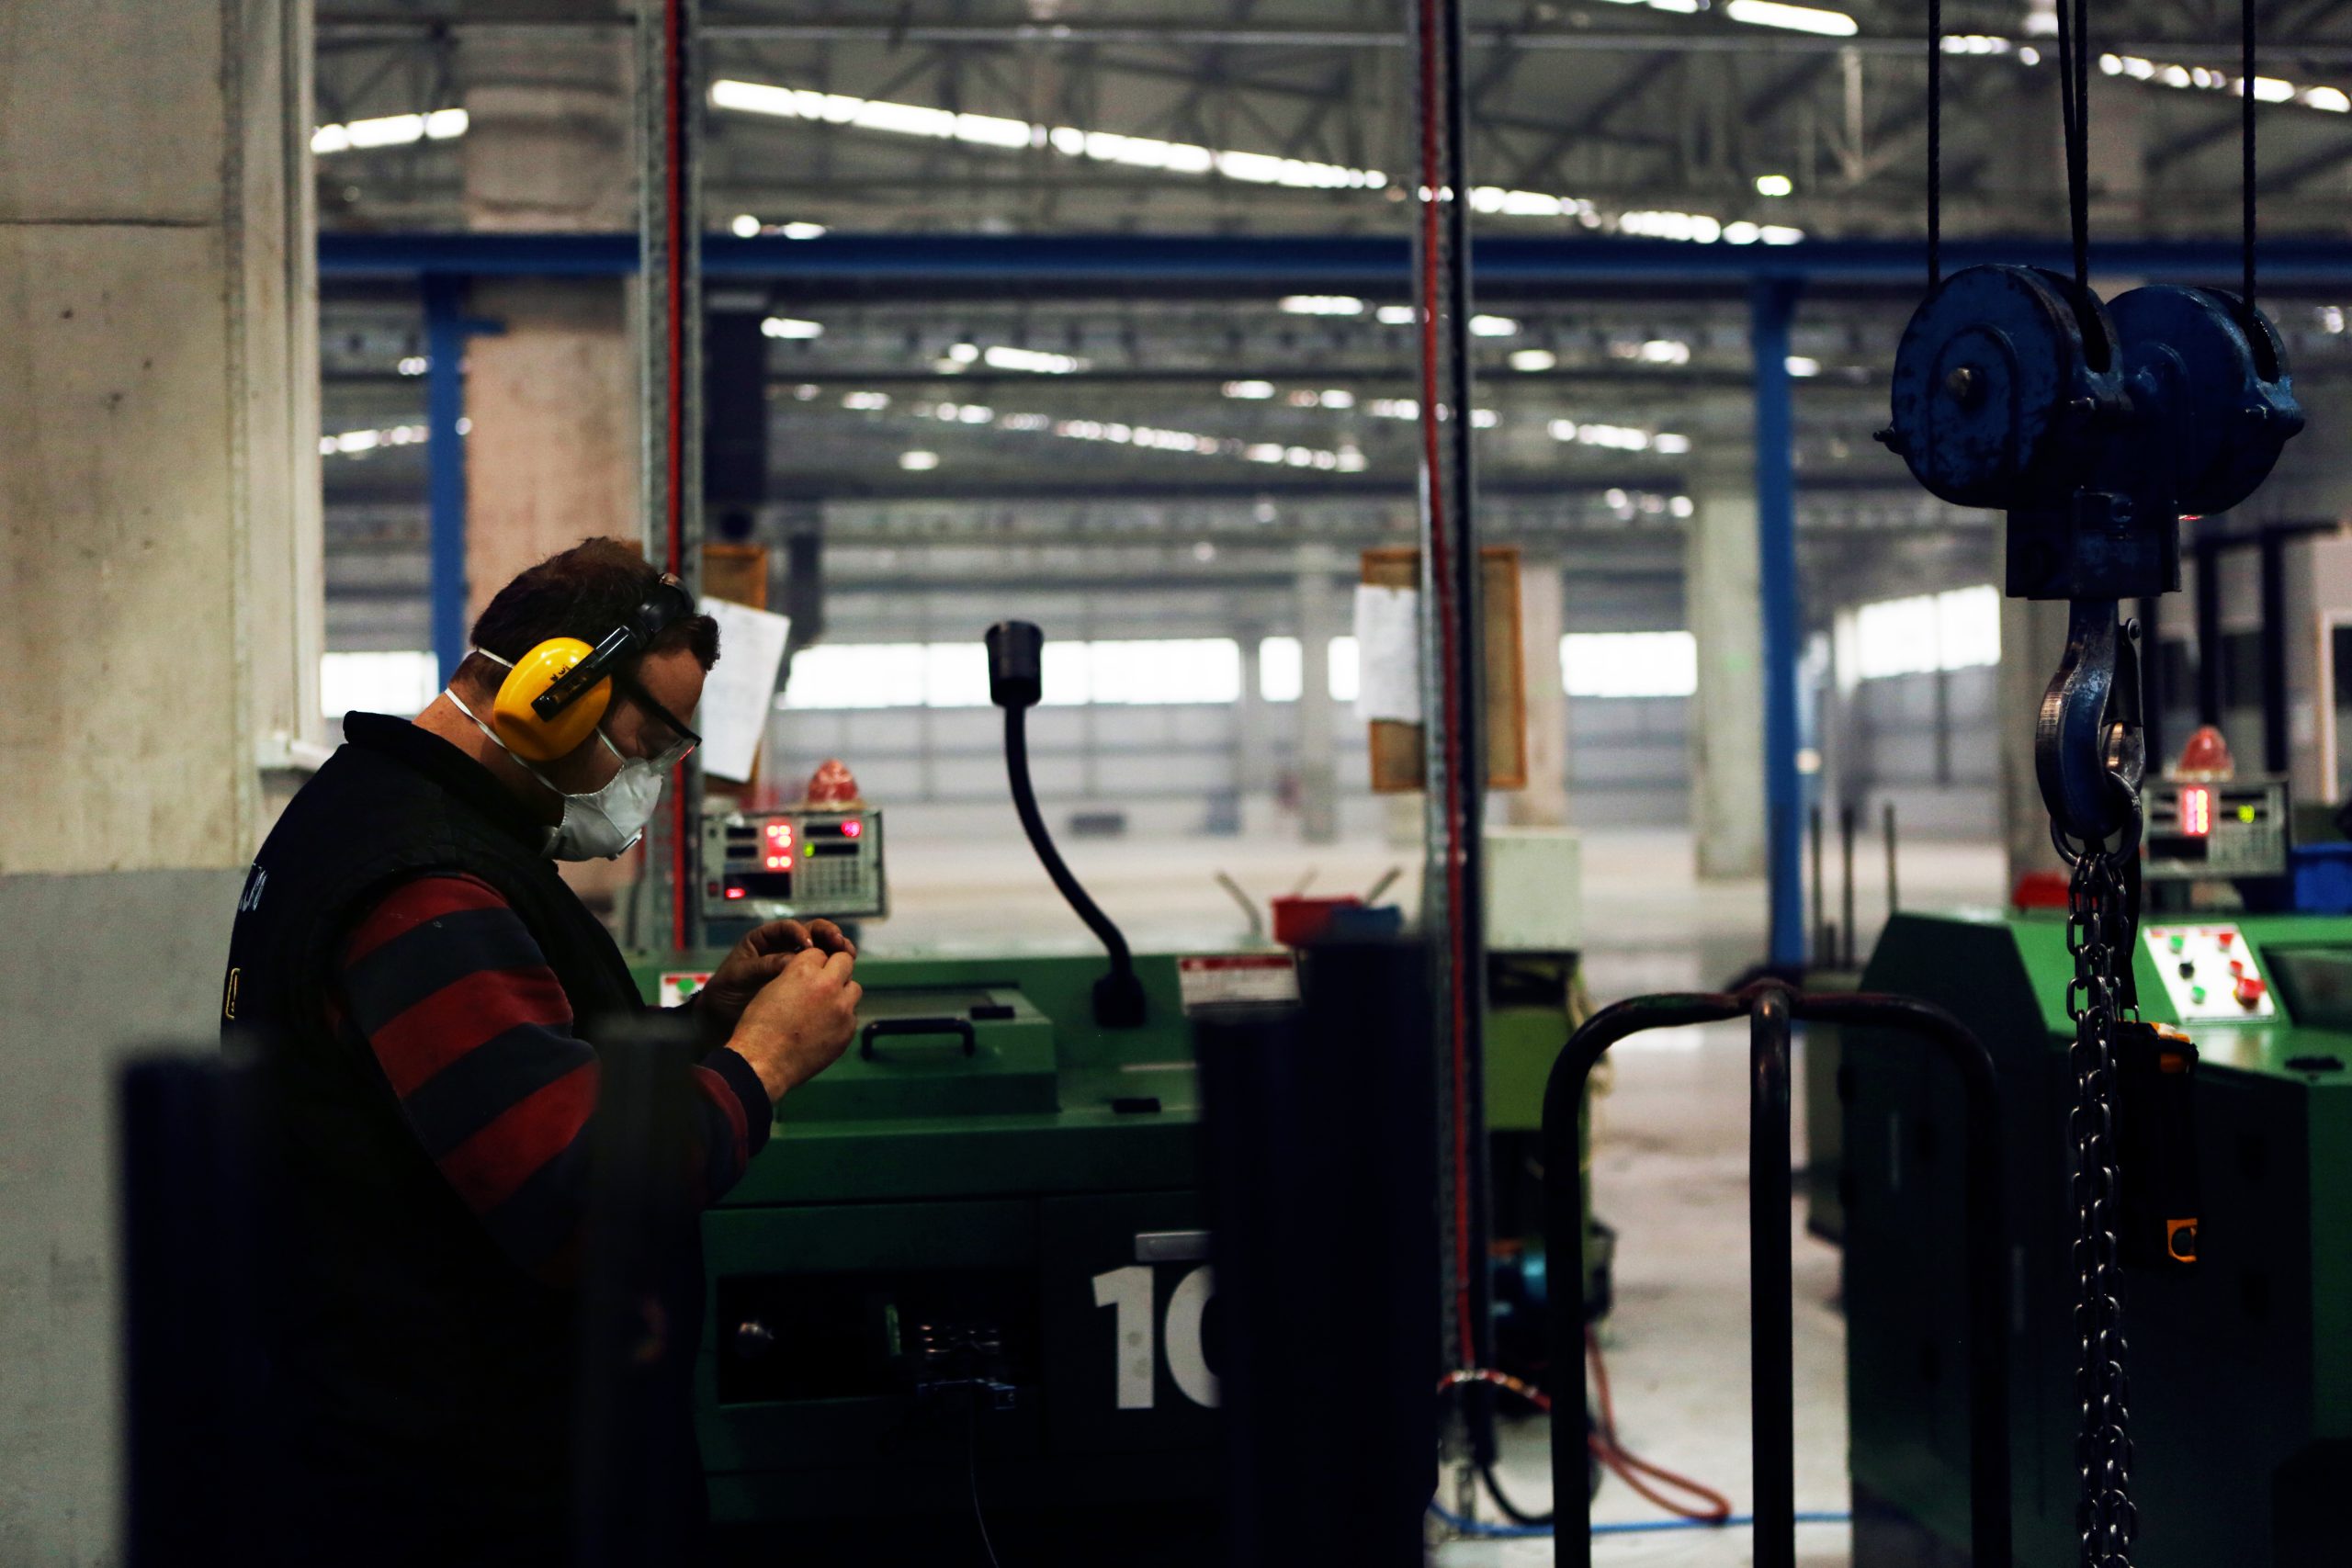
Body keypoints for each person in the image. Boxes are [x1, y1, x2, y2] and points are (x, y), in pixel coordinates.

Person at [220, 538, 858, 1564]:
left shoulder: (374, 809)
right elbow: (577, 1194)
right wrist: (762, 1064)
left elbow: (514, 1082)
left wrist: (702, 1028)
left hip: (412, 1439)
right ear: (553, 692)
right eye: (648, 740)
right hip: (457, 1484)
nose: (648, 781)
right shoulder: (425, 883)